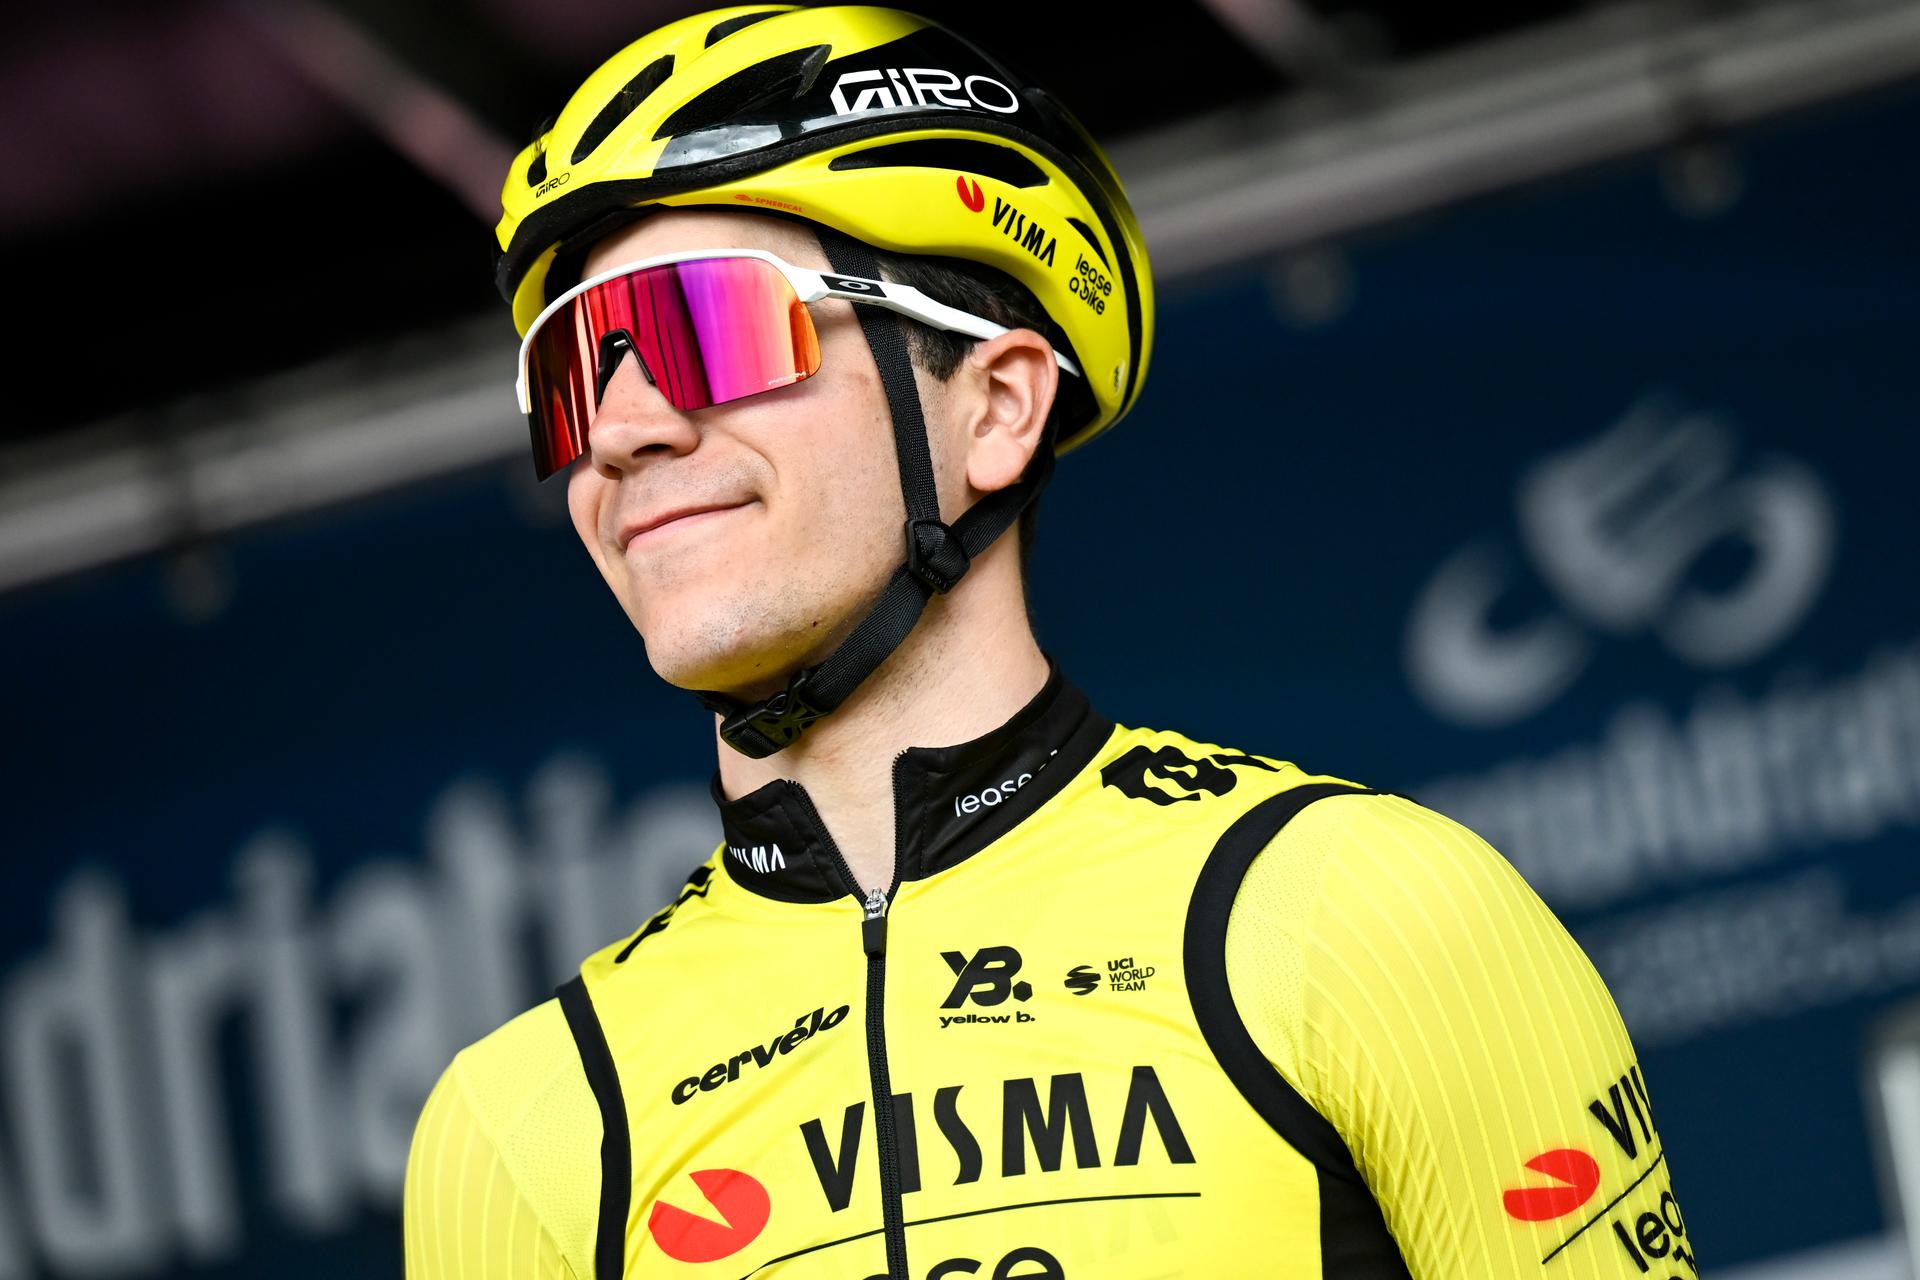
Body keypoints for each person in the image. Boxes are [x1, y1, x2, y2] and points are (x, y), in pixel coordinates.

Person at [403, 6, 1694, 1278]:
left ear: (1000, 408)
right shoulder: (523, 1128)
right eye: (576, 368)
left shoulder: (1375, 920)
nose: (621, 432)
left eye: (708, 325)